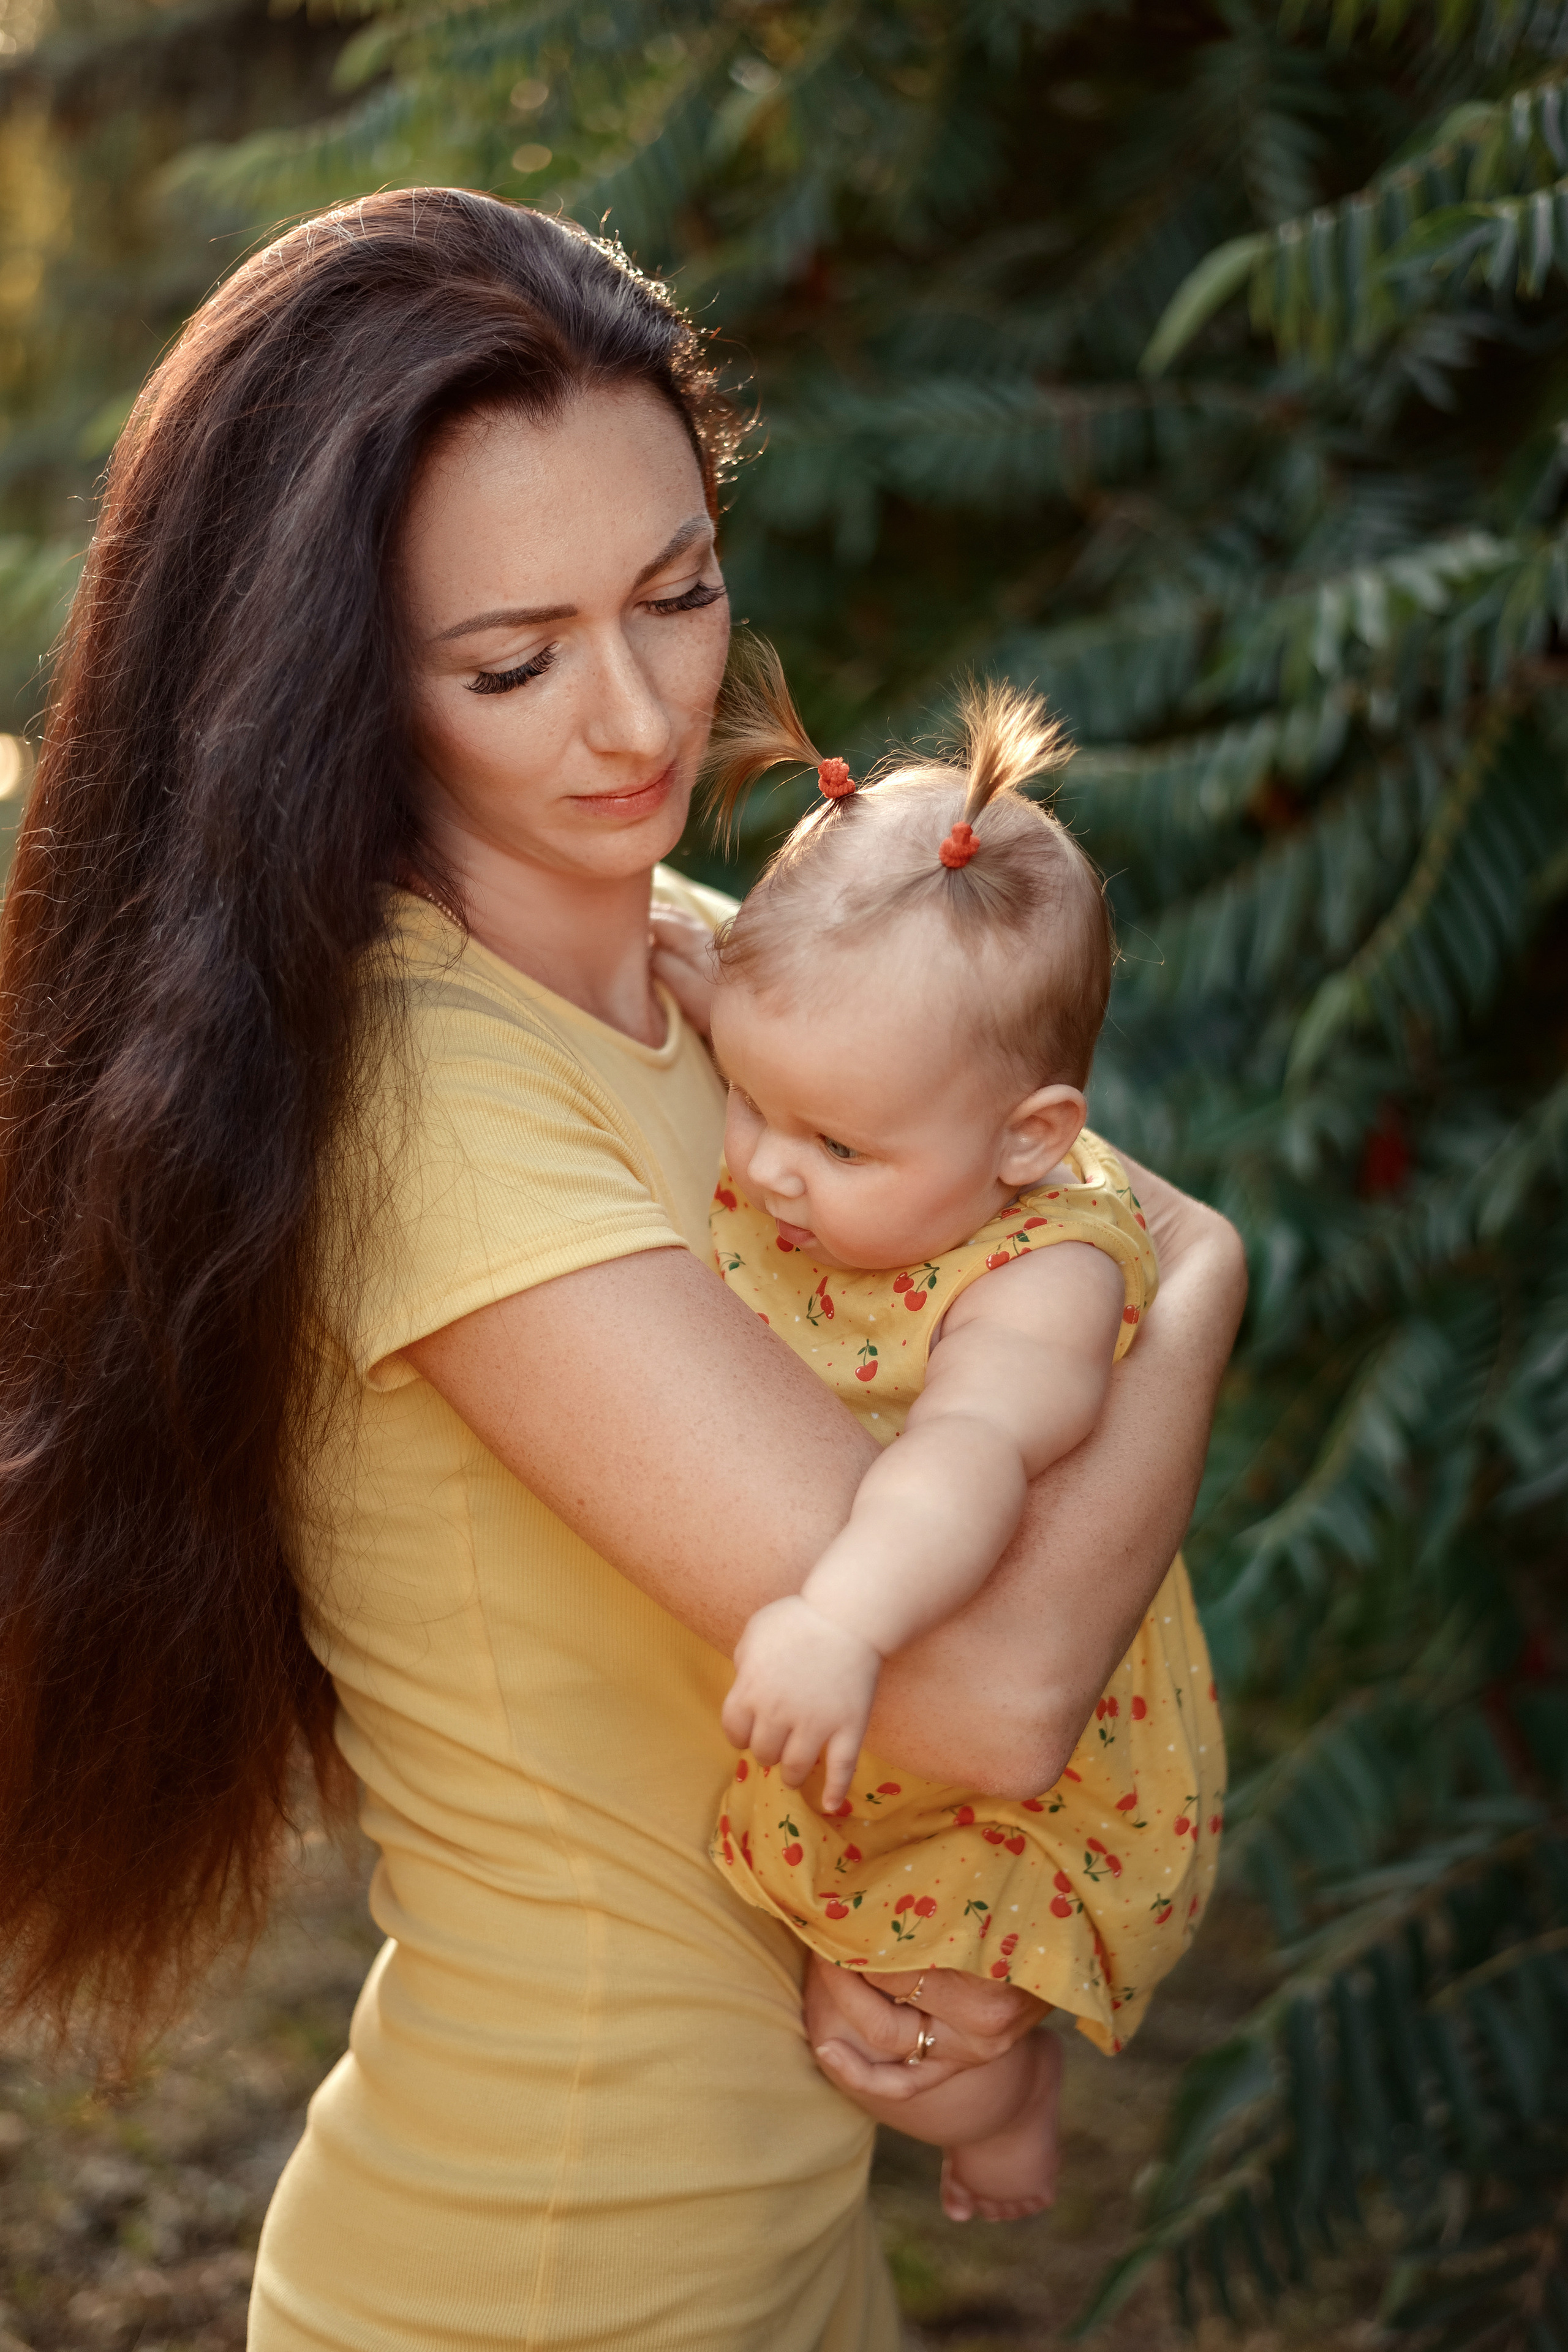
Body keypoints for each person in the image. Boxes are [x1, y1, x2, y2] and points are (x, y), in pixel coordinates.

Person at [0, 189, 1246, 2350]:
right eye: (513, 659)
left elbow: (1060, 1235)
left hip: (778, 2236)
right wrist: (1213, 1277)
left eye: (678, 595)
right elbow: (981, 1691)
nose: (636, 715)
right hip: (550, 2262)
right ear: (335, 684)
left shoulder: (706, 963)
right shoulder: (430, 1099)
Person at [682, 652, 1224, 2225]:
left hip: (1024, 1782)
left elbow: (964, 1462)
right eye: (747, 1098)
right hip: (891, 1654)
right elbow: (809, 1034)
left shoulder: (1040, 1276)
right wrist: (700, 981)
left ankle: (1009, 2125)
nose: (774, 1172)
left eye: (836, 1142)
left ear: (1030, 1138)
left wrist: (842, 1619)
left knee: (914, 2003)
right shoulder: (866, 1100)